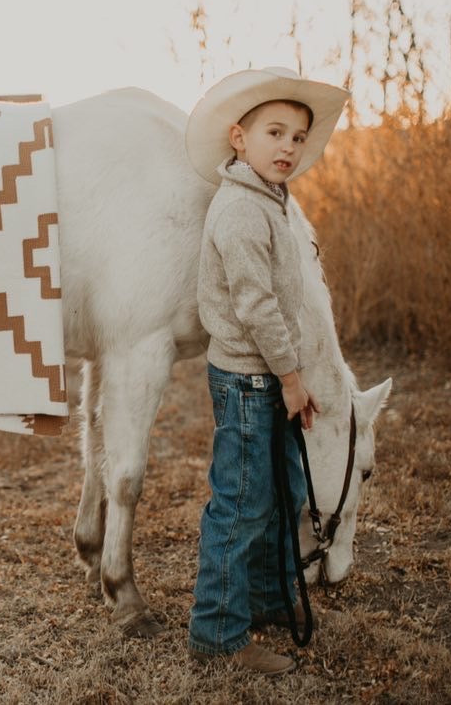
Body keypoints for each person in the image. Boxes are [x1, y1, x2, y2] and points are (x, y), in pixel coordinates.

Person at [184, 67, 349, 675]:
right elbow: (257, 307)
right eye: (274, 133)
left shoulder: (270, 201)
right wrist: (289, 378)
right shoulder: (241, 212)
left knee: (286, 492)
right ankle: (218, 633)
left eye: (298, 137)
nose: (288, 147)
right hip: (254, 382)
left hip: (273, 378)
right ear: (238, 138)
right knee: (241, 505)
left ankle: (271, 597)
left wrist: (294, 374)